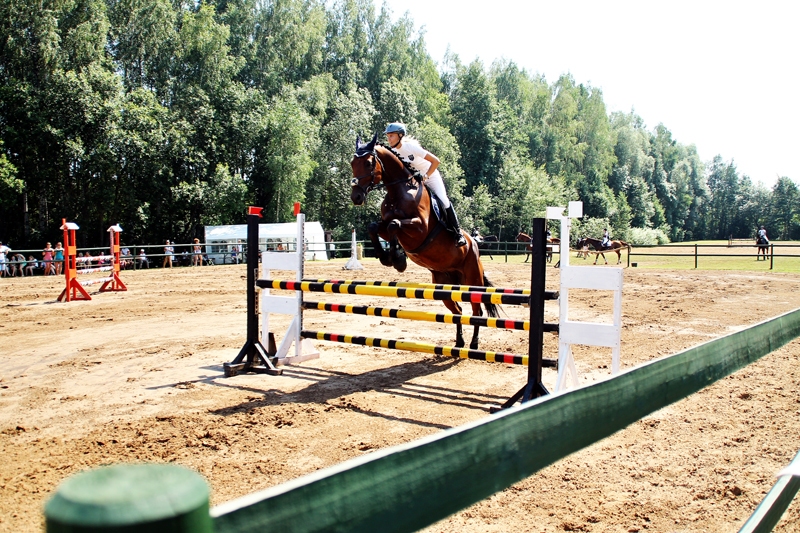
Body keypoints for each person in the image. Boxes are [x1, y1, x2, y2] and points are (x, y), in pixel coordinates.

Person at [384, 122, 467, 247]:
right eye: (388, 136)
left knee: (444, 200)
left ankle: (458, 233)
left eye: (391, 136)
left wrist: (426, 175)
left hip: (430, 175)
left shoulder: (410, 147)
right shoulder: (392, 152)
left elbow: (436, 161)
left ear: (400, 136)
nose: (388, 139)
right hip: (414, 180)